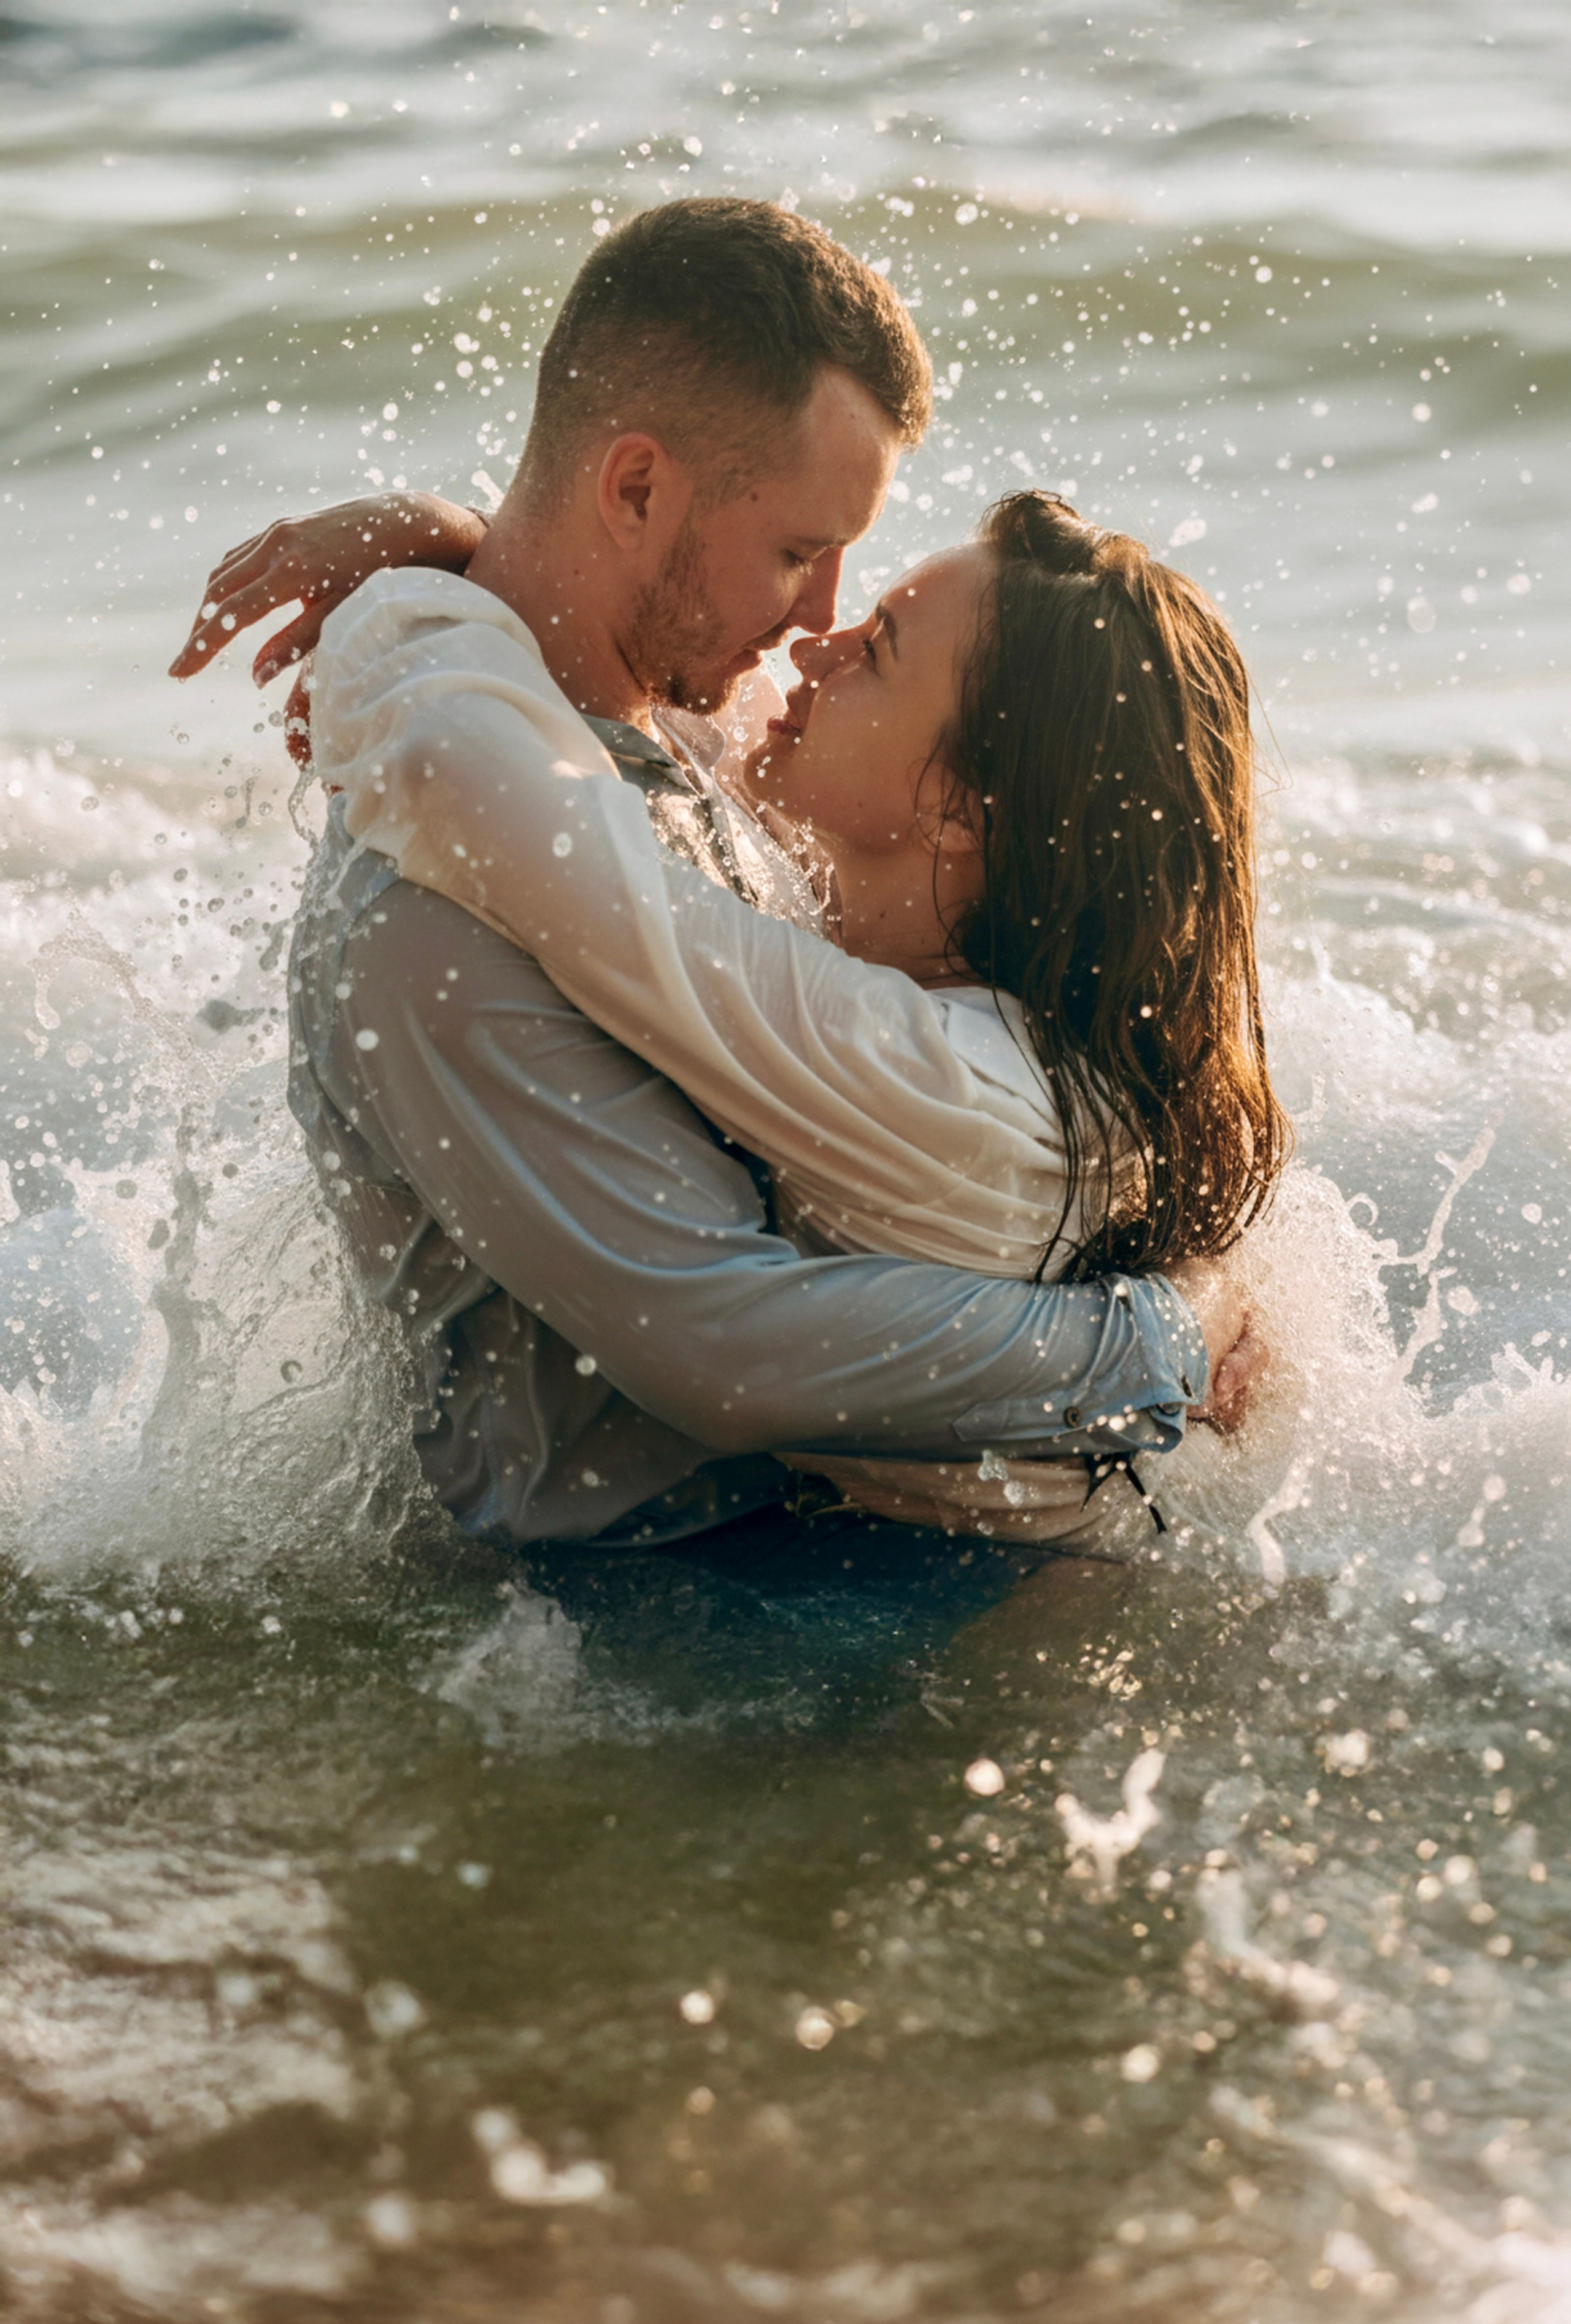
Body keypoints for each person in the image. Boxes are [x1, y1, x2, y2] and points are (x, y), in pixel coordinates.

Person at [173, 197, 1257, 1561]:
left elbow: (553, 616)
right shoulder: (438, 925)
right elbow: (721, 1340)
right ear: (633, 491)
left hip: (850, 1561)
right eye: (800, 552)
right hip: (668, 1630)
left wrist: (445, 542)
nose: (815, 625)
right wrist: (1157, 1336)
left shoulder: (677, 720)